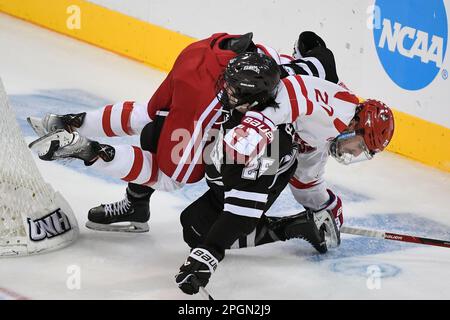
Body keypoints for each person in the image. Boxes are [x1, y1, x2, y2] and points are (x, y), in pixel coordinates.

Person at [28, 31, 339, 233]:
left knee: (150, 117)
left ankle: (70, 122)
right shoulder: (309, 134)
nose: (347, 152)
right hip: (209, 92)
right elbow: (305, 185)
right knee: (173, 176)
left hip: (207, 51)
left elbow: (320, 57)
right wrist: (328, 208)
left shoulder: (316, 87)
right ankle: (90, 151)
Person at [175, 62, 395, 296]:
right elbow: (292, 90)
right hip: (243, 119)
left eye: (363, 153)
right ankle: (220, 237)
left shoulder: (323, 143)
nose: (354, 153)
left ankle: (289, 228)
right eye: (360, 146)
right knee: (199, 224)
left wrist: (327, 207)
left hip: (259, 147)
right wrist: (259, 125)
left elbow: (306, 185)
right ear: (355, 126)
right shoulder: (341, 106)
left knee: (196, 228)